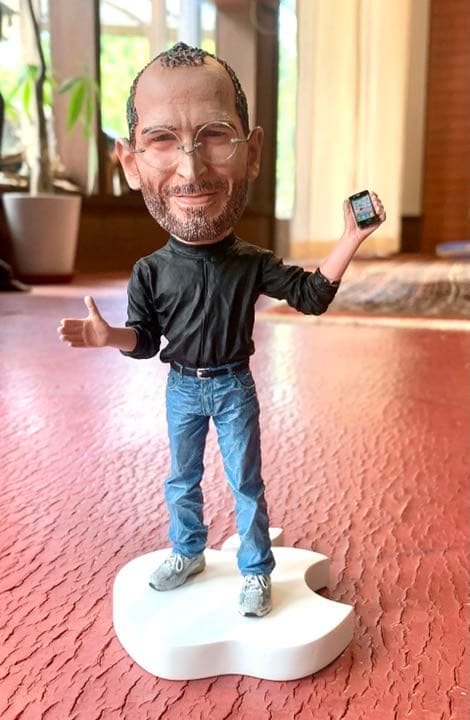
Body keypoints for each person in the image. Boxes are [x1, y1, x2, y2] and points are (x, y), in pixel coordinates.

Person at [58, 42, 385, 618]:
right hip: (182, 387)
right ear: (130, 162)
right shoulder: (150, 272)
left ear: (251, 152)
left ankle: (256, 570)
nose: (191, 169)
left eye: (214, 135)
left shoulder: (252, 262)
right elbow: (146, 340)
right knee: (181, 479)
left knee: (245, 482)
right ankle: (187, 551)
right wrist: (110, 338)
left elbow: (311, 296)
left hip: (234, 386)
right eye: (163, 140)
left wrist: (349, 238)